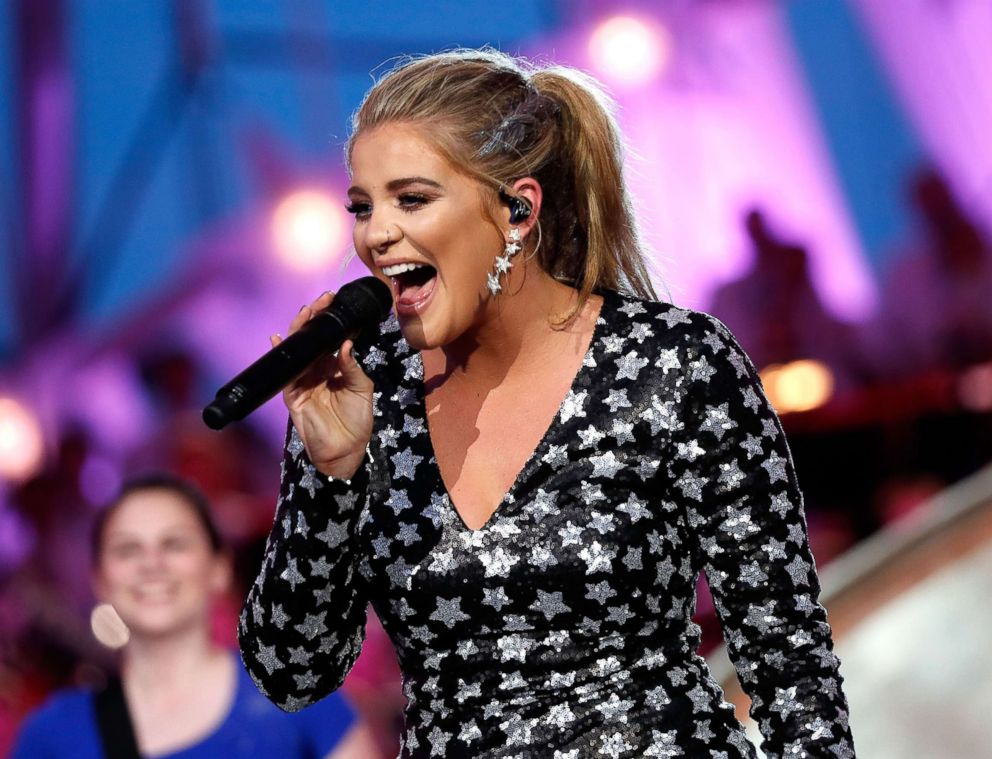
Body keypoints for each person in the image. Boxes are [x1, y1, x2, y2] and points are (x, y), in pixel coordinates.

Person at [238, 49, 855, 758]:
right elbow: (289, 673)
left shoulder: (673, 362)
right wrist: (329, 476)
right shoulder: (362, 390)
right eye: (362, 206)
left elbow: (793, 670)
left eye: (411, 200)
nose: (375, 234)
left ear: (517, 208)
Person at [11, 474, 376, 758]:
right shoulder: (55, 734)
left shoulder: (296, 692)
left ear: (219, 568)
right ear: (100, 581)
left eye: (175, 543)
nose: (151, 564)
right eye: (127, 549)